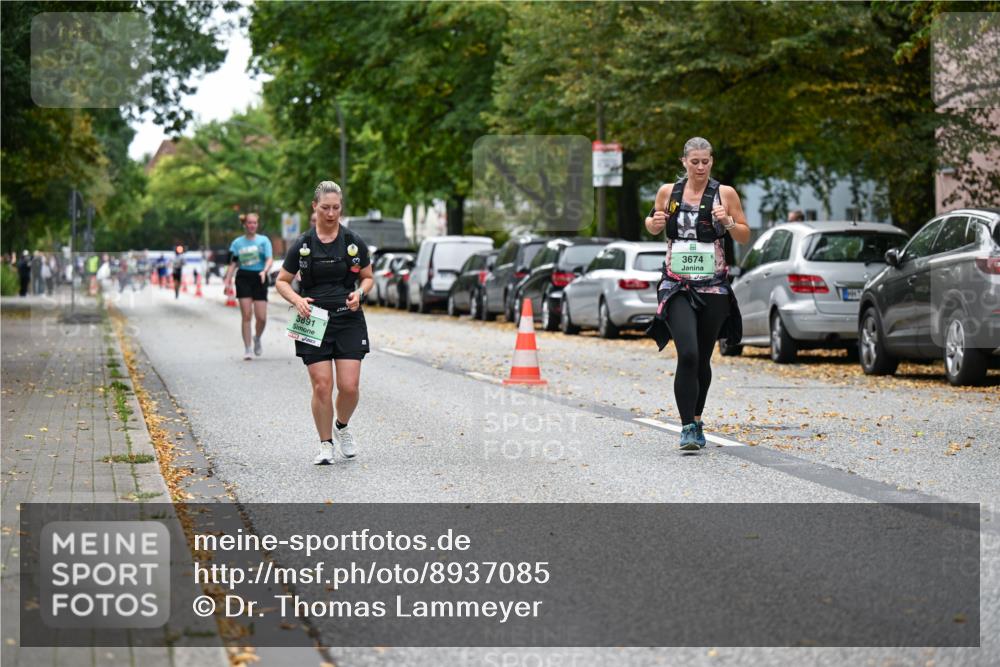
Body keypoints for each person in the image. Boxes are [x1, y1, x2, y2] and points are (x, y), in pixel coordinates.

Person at [644, 137, 750, 451]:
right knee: (688, 353)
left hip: (713, 286)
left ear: (711, 161)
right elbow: (652, 224)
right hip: (676, 285)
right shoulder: (668, 192)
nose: (701, 167)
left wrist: (728, 222)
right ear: (684, 162)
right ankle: (687, 427)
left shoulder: (725, 193)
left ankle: (697, 418)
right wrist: (654, 222)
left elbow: (744, 234)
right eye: (695, 162)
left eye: (706, 161)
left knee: (702, 357)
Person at [275, 181, 374, 464]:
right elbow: (282, 281)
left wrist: (360, 293)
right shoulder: (303, 244)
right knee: (322, 386)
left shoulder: (353, 241)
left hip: (347, 317)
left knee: (349, 386)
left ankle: (341, 426)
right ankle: (325, 444)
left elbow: (368, 278)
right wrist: (297, 300)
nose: (331, 214)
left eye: (336, 208)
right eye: (325, 208)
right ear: (315, 207)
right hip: (311, 317)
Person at [223, 213, 273, 360]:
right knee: (246, 315)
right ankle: (247, 348)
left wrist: (265, 270)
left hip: (260, 277)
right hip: (243, 277)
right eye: (249, 223)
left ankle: (257, 337)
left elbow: (269, 259)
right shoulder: (237, 243)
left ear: (257, 224)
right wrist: (227, 281)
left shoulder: (264, 241)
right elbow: (232, 263)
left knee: (261, 317)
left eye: (254, 223)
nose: (252, 225)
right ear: (244, 224)